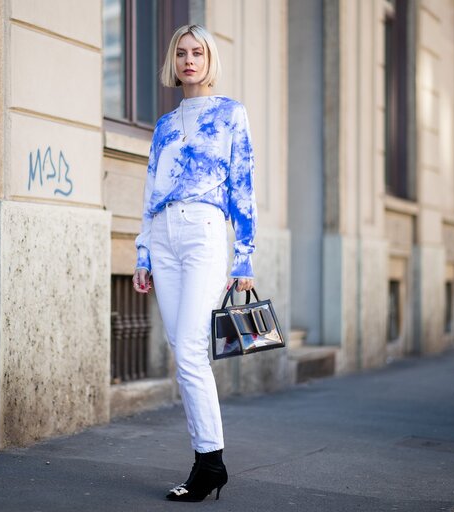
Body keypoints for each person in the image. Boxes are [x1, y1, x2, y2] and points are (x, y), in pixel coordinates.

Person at [132, 24, 257, 502]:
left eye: (197, 52)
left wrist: (244, 257)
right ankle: (208, 462)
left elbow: (243, 184)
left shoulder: (230, 114)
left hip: (205, 232)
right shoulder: (164, 124)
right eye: (181, 53)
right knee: (181, 351)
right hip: (163, 235)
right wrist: (142, 251)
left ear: (209, 60)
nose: (189, 60)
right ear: (173, 61)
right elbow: (150, 191)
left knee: (188, 350)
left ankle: (210, 463)